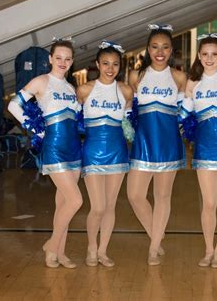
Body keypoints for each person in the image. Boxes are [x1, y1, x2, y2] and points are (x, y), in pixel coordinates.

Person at [8, 39, 82, 268]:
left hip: (74, 150)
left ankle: (57, 253)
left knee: (63, 205)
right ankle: (51, 244)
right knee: (76, 200)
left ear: (72, 61)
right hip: (54, 149)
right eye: (58, 57)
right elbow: (13, 106)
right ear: (50, 59)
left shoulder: (71, 88)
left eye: (68, 58)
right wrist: (36, 131)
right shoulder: (41, 81)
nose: (63, 62)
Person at [127, 24, 187, 266]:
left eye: (164, 47)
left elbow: (186, 113)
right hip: (142, 142)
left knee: (162, 196)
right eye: (154, 47)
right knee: (134, 195)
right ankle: (157, 235)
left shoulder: (179, 77)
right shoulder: (135, 76)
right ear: (148, 49)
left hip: (168, 143)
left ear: (171, 50)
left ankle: (153, 248)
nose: (159, 52)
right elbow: (127, 109)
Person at [180, 33, 217, 268]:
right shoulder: (193, 83)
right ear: (199, 56)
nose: (209, 58)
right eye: (205, 54)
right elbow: (183, 116)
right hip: (204, 148)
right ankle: (208, 250)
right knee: (208, 202)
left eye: (214, 54)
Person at [77, 41, 133, 267]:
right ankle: (91, 247)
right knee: (97, 206)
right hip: (92, 152)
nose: (110, 68)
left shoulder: (126, 91)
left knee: (110, 206)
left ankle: (103, 250)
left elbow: (128, 123)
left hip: (118, 151)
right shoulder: (85, 90)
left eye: (115, 64)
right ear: (97, 64)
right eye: (106, 63)